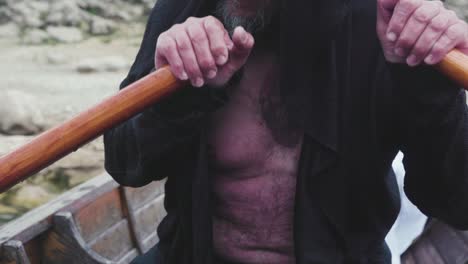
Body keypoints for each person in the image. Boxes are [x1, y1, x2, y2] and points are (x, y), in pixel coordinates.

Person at [104, 0, 468, 263]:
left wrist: (428, 87)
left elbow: (456, 204)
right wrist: (180, 97)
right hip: (188, 255)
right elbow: (124, 164)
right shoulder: (183, 12)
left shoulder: (380, 25)